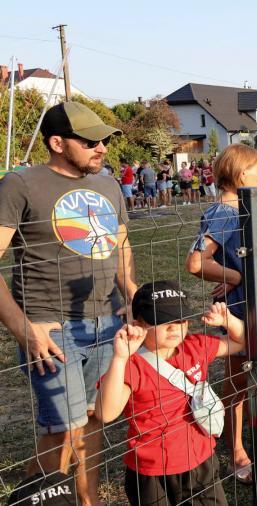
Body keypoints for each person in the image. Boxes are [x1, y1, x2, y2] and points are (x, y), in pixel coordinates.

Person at [0, 101, 135, 506]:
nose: (102, 148)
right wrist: (24, 330)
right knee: (63, 429)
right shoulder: (20, 184)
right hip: (52, 328)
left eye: (104, 140)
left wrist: (131, 294)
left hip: (107, 322)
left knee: (93, 420)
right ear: (57, 143)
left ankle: (88, 501)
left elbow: (120, 244)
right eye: (90, 141)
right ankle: (41, 499)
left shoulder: (108, 185)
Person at [185, 144, 257, 484]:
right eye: (254, 168)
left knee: (255, 376)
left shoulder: (247, 202)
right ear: (241, 175)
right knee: (238, 382)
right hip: (240, 306)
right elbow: (196, 262)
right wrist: (236, 276)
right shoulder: (223, 212)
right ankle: (238, 451)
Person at [97, 283, 243, 506]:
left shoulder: (195, 347)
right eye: (163, 321)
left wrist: (229, 321)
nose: (174, 327)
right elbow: (106, 413)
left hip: (200, 460)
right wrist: (119, 358)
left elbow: (240, 342)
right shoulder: (132, 365)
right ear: (139, 324)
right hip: (151, 471)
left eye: (181, 320)